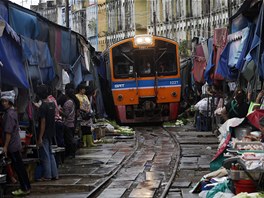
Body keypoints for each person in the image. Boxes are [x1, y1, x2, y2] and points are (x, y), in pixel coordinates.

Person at [1, 90, 31, 196]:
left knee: (18, 167)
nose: (3, 103)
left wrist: (5, 146)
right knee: (19, 167)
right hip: (15, 144)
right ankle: (26, 187)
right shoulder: (12, 112)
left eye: (5, 101)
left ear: (9, 102)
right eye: (3, 101)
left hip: (12, 145)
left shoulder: (9, 114)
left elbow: (8, 132)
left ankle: (25, 188)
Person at [36, 84, 58, 181]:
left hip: (44, 133)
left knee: (45, 155)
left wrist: (40, 137)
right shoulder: (52, 104)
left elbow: (43, 122)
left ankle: (47, 175)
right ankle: (54, 174)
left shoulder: (43, 107)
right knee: (51, 153)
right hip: (51, 132)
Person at [76, 83, 95, 147]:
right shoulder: (77, 96)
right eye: (83, 89)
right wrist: (84, 110)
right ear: (80, 90)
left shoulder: (85, 96)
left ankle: (90, 142)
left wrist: (89, 111)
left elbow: (89, 104)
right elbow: (78, 106)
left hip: (88, 114)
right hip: (82, 115)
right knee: (84, 129)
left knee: (88, 128)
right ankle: (84, 142)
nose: (84, 90)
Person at [61, 87, 79, 158]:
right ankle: (71, 153)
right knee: (70, 138)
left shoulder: (68, 102)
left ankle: (71, 153)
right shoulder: (72, 101)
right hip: (71, 123)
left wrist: (59, 110)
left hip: (68, 123)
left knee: (69, 139)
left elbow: (66, 115)